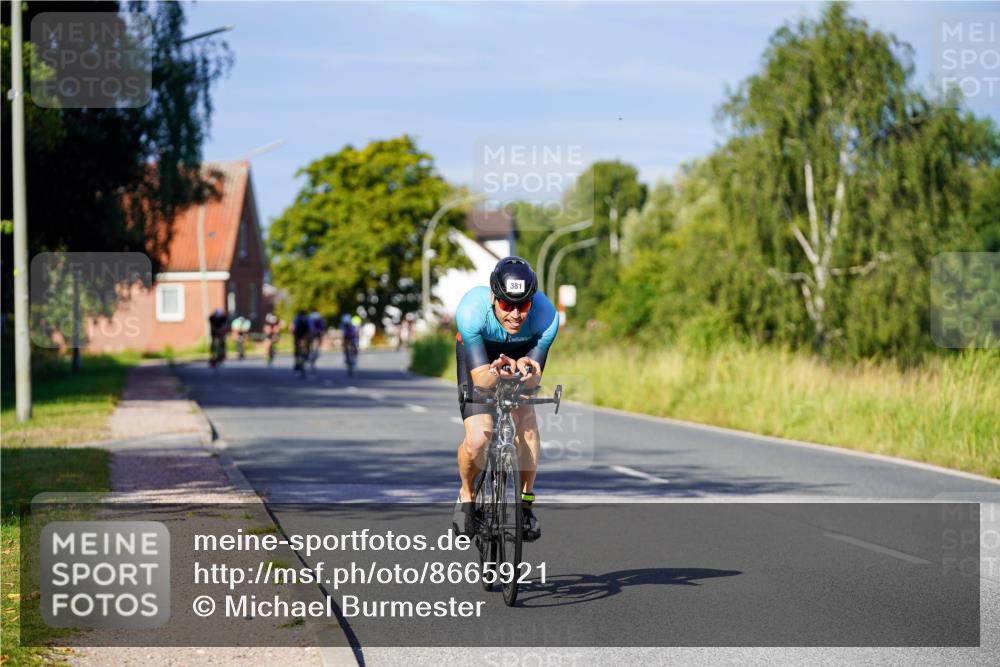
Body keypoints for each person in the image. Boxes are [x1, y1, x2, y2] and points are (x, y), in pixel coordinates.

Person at [451, 256, 558, 542]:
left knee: (527, 421)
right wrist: (495, 371)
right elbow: (481, 380)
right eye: (505, 305)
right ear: (493, 298)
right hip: (480, 356)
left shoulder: (547, 317)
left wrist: (526, 370)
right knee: (478, 439)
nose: (514, 314)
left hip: (524, 349)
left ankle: (525, 505)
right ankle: (467, 492)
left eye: (522, 305)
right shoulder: (471, 311)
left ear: (532, 302)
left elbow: (535, 380)